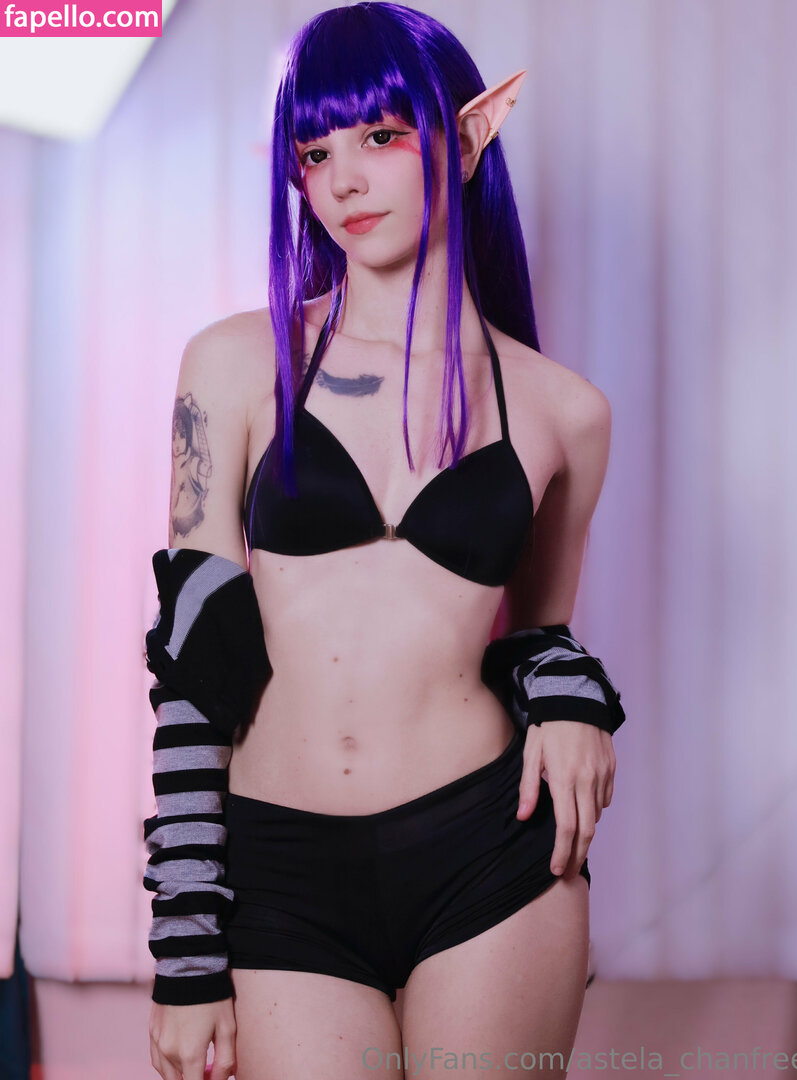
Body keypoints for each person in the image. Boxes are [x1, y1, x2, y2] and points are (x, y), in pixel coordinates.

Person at [142, 4, 623, 1079]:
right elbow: (192, 668)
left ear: (470, 134)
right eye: (315, 153)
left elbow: (537, 630)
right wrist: (186, 948)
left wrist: (573, 700)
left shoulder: (564, 411)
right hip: (279, 869)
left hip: (491, 850)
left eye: (380, 136)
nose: (343, 180)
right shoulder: (237, 365)